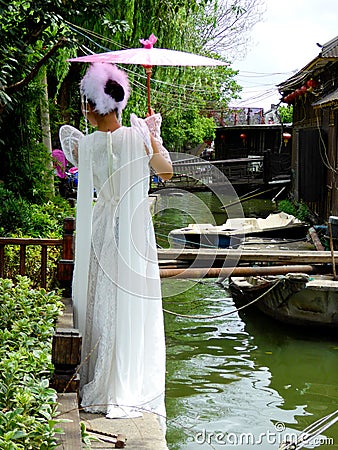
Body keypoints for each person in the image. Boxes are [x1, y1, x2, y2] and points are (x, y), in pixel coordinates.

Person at [60, 62, 172, 422]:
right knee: (129, 301)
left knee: (102, 298)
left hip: (103, 226)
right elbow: (165, 172)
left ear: (94, 106)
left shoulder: (85, 145)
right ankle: (127, 380)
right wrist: (152, 133)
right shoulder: (138, 135)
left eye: (86, 103)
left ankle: (97, 378)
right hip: (134, 229)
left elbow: (76, 164)